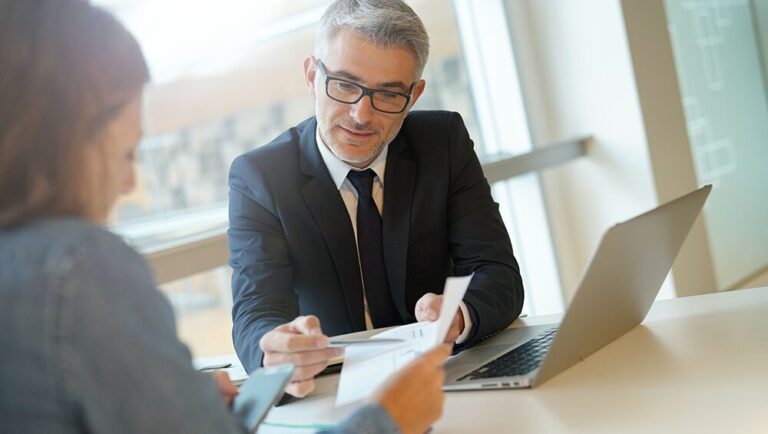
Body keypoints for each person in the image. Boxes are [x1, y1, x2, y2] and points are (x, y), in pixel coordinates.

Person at [0, 1, 449, 433]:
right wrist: (389, 420)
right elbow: (256, 309)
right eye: (125, 154)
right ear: (68, 138)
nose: (127, 184)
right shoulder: (85, 272)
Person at [229, 0, 525, 398]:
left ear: (415, 95)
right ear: (312, 76)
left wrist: (459, 315)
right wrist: (275, 354)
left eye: (388, 95)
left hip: (447, 382)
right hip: (332, 394)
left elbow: (497, 273)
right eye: (345, 86)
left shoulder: (443, 143)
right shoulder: (260, 177)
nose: (361, 115)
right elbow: (255, 310)